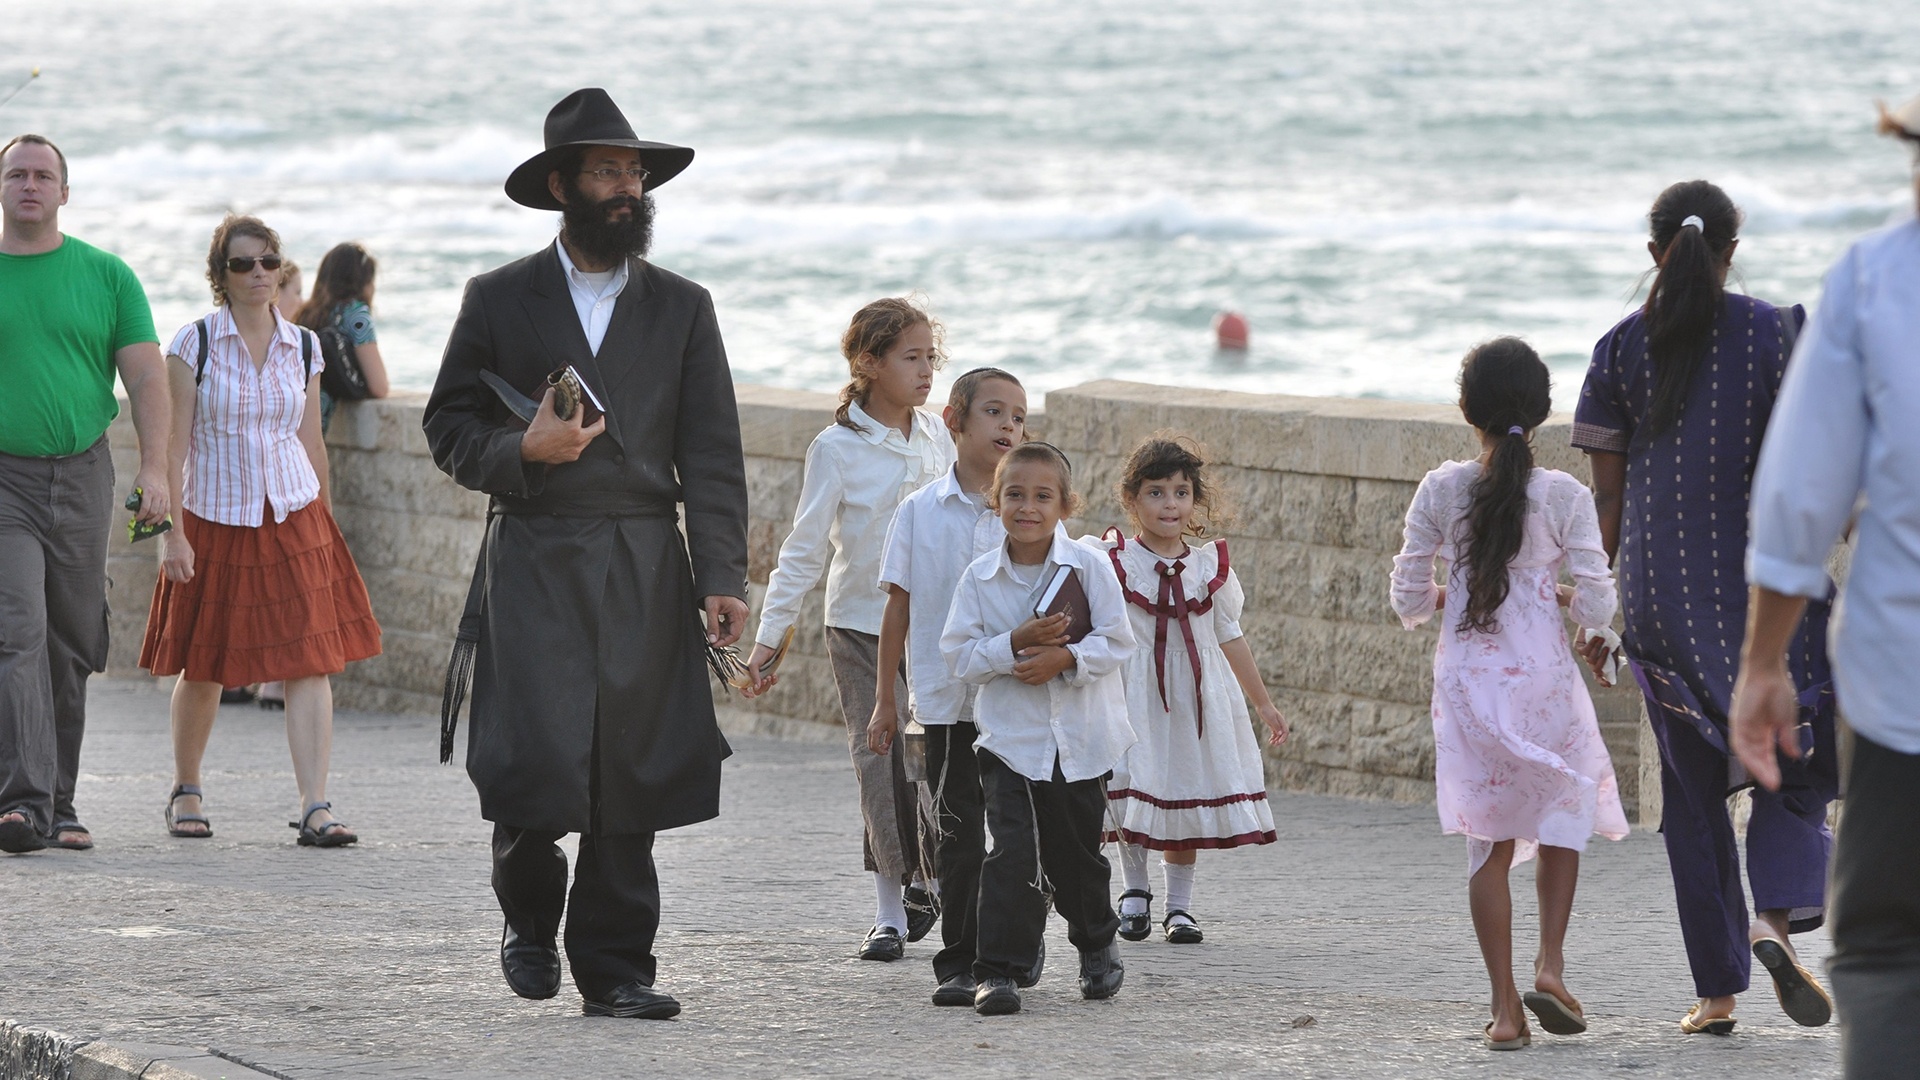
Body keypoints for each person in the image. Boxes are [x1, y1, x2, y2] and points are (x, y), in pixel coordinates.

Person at [423, 88, 749, 1021]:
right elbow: (447, 426)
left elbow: (715, 453)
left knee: (628, 770)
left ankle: (616, 968)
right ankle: (529, 913)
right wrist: (520, 452)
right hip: (534, 558)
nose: (627, 187)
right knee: (531, 758)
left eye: (634, 172)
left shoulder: (685, 306)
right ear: (561, 184)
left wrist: (722, 575)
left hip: (648, 559)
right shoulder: (499, 297)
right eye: (607, 171)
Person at [1571, 180, 1837, 1035]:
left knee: (1692, 801)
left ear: (1654, 253)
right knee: (1793, 763)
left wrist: (1597, 614)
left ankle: (1718, 992)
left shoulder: (1617, 351)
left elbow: (1605, 506)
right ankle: (1777, 920)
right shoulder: (1775, 332)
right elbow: (1815, 460)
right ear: (1733, 248)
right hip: (1765, 591)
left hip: (1661, 601)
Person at [1731, 95, 1920, 1079]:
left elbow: (1803, 496)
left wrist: (1765, 661)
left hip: (1903, 698)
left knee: (1890, 950)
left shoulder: (1877, 280)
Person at [1391, 338, 1628, 1050]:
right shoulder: (1564, 496)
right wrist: (1552, 593)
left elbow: (1407, 595)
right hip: (1545, 684)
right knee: (1561, 816)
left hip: (1468, 686)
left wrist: (1445, 595)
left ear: (1469, 411)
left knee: (1488, 846)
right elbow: (1597, 605)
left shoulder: (1441, 489)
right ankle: (1550, 967)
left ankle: (1504, 1011)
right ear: (1543, 409)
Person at [140, 215, 381, 847]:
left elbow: (310, 442)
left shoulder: (305, 346)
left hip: (293, 515)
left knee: (311, 661)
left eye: (268, 263)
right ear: (220, 276)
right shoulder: (193, 344)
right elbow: (173, 443)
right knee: (205, 663)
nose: (257, 275)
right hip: (213, 517)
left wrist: (324, 522)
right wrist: (173, 534)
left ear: (281, 269)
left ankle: (315, 806)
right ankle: (186, 788)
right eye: (242, 264)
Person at [741, 297, 953, 961]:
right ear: (869, 362)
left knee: (931, 760)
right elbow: (804, 549)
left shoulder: (939, 437)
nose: (926, 371)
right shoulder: (834, 448)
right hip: (858, 627)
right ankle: (890, 912)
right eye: (911, 358)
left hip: (934, 629)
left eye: (931, 358)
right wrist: (771, 637)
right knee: (878, 759)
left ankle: (933, 883)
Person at [0, 133, 171, 854]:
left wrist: (157, 468)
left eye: (44, 175)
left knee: (72, 641)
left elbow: (146, 377)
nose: (30, 184)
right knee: (18, 631)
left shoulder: (106, 276)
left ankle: (60, 801)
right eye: (16, 174)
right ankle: (22, 802)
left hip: (83, 474)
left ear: (64, 192)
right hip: (3, 479)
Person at [940, 441, 1136, 1016]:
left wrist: (1067, 660)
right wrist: (1016, 644)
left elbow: (1119, 640)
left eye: (1042, 496)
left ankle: (1096, 945)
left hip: (1079, 739)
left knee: (1076, 856)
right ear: (994, 501)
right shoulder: (979, 578)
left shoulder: (1090, 566)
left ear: (1065, 504)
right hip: (1010, 742)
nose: (1028, 507)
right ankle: (998, 968)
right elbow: (959, 656)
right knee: (1011, 854)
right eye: (1015, 495)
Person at [866, 366, 1028, 1004]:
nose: (1009, 426)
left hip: (1018, 706)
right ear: (953, 419)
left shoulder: (1030, 509)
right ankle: (958, 961)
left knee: (1014, 837)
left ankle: (1007, 959)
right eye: (994, 412)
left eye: (1019, 417)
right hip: (944, 705)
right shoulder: (918, 512)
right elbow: (897, 610)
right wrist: (886, 699)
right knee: (957, 836)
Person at [1092, 435, 1288, 946]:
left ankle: (1179, 907)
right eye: (1156, 493)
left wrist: (1263, 702)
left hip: (1197, 698)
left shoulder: (1208, 567)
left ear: (1195, 500)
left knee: (1183, 786)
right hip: (1134, 692)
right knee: (1134, 786)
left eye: (1181, 492)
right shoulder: (1113, 562)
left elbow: (1230, 636)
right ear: (1131, 499)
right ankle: (1133, 893)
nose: (1170, 504)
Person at [295, 242, 390, 432]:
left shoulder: (306, 314)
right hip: (311, 435)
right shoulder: (356, 315)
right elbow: (379, 387)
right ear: (364, 283)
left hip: (291, 424)